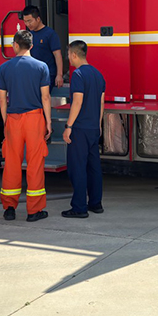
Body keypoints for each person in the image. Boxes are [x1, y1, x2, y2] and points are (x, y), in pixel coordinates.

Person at [0, 30, 52, 222]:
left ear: (15, 45)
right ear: (32, 45)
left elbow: (2, 100)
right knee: (35, 163)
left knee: (11, 162)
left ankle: (9, 207)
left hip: (13, 118)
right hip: (35, 118)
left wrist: (6, 122)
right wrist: (49, 122)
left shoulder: (4, 68)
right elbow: (45, 97)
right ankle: (34, 210)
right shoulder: (41, 67)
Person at [61, 40, 106, 218]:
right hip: (93, 128)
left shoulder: (78, 75)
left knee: (77, 168)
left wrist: (68, 126)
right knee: (94, 167)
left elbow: (77, 101)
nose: (68, 59)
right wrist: (99, 124)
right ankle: (96, 203)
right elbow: (101, 102)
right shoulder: (98, 74)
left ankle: (79, 207)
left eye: (68, 55)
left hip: (79, 128)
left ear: (74, 54)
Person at [22, 5, 64, 90]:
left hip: (48, 75)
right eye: (25, 21)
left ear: (38, 19)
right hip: (33, 74)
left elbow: (57, 55)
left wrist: (59, 75)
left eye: (29, 21)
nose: (27, 24)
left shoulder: (50, 34)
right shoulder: (29, 35)